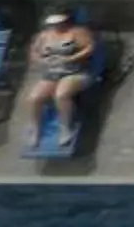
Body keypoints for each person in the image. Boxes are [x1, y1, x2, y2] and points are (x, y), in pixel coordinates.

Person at [14, 9, 98, 144]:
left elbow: (89, 48)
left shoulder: (77, 32)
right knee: (34, 98)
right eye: (53, 23)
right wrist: (40, 60)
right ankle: (35, 127)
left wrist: (71, 58)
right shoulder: (44, 35)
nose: (55, 26)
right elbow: (34, 52)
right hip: (52, 73)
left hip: (75, 72)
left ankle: (65, 127)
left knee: (61, 95)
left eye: (58, 23)